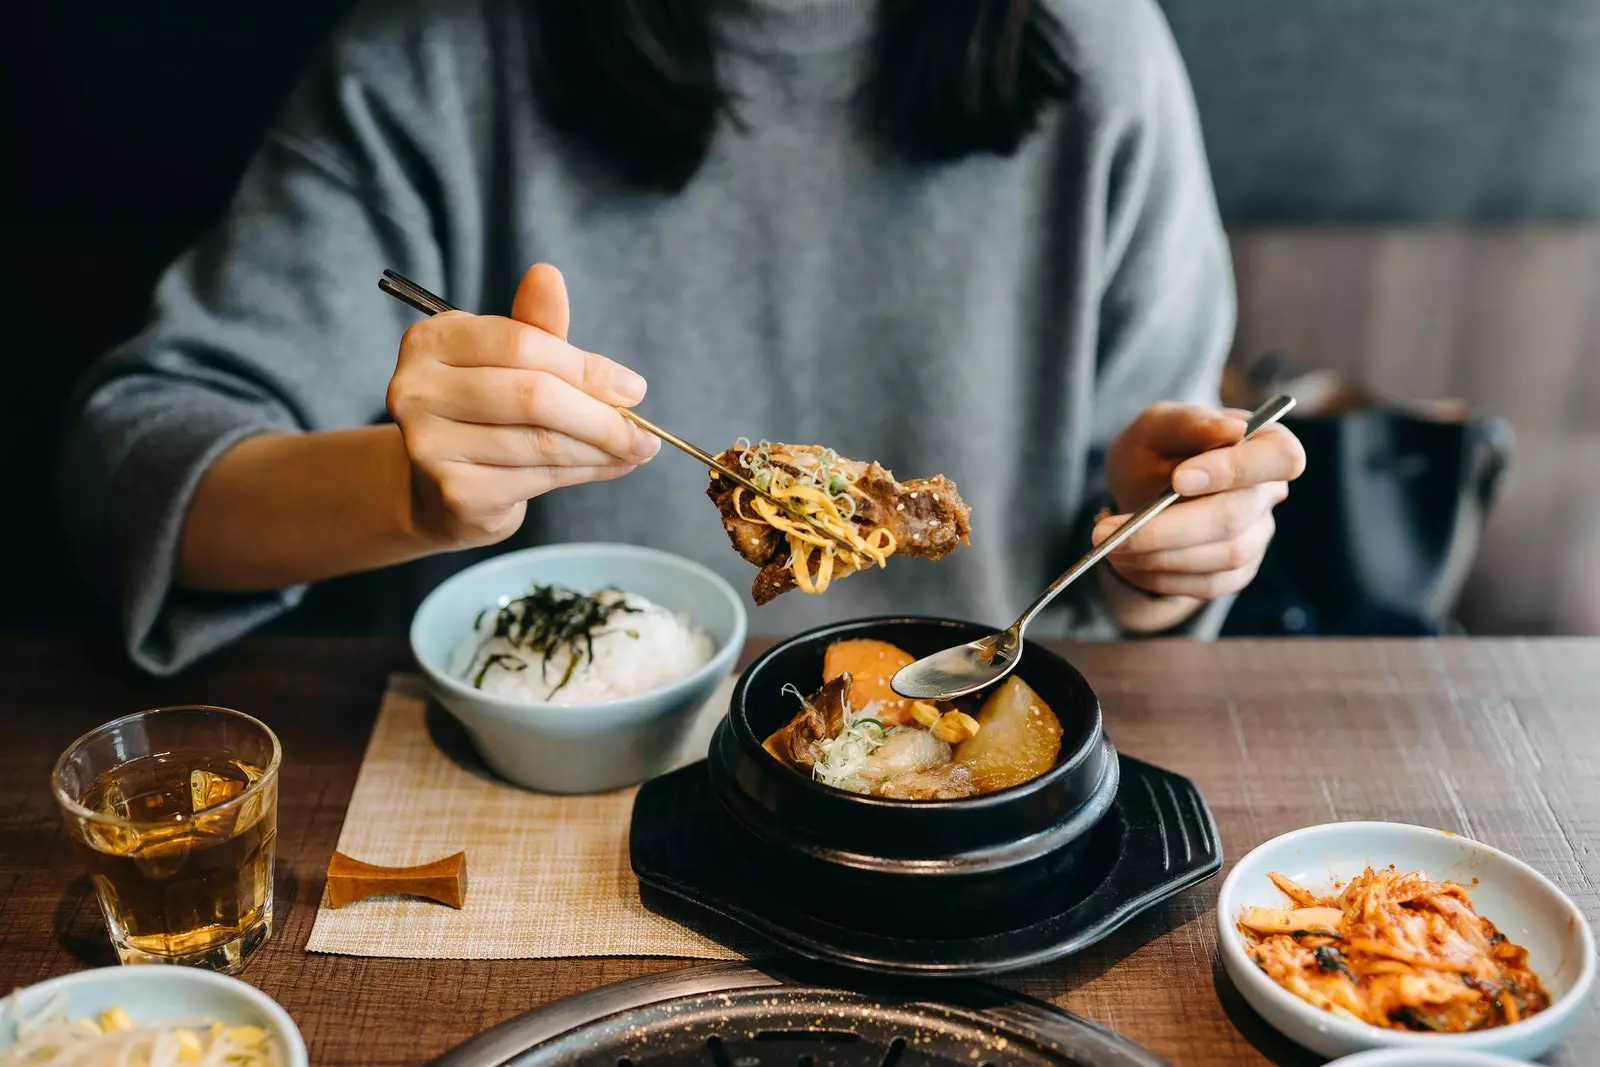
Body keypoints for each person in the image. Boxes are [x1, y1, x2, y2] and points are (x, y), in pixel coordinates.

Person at [59, 0, 1305, 676]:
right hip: (545, 801)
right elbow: (131, 468)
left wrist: (1160, 548)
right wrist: (411, 491)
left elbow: (1130, 602)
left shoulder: (1094, 47)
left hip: (963, 786)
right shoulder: (439, 52)